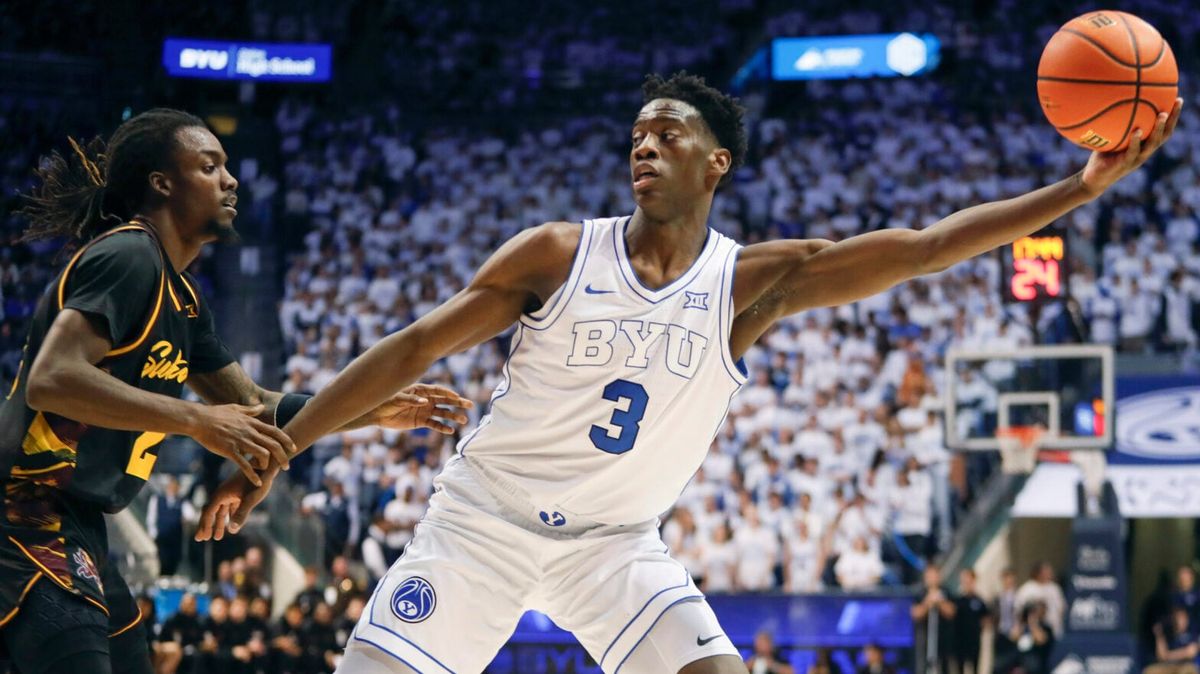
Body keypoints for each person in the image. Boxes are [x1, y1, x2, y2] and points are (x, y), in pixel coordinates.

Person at [198, 72, 1182, 674]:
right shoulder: (555, 254)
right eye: (637, 133)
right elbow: (412, 347)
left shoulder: (752, 284)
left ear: (717, 164)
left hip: (615, 547)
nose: (645, 144)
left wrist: (1078, 187)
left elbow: (926, 248)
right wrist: (281, 446)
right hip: (482, 526)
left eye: (668, 133)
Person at [0, 109, 472, 674]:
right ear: (162, 183)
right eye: (209, 167)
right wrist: (197, 420)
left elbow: (256, 407)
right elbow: (52, 378)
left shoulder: (182, 297)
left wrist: (372, 411)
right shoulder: (130, 255)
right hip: (24, 513)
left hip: (80, 524)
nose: (232, 180)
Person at [912, 565, 957, 674]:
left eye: (934, 575)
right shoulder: (920, 593)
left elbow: (951, 612)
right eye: (929, 576)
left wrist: (939, 601)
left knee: (945, 666)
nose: (932, 579)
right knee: (923, 666)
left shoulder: (946, 592)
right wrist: (928, 602)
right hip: (925, 638)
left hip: (943, 638)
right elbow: (915, 613)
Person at [1015, 561, 1067, 638]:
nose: (1050, 574)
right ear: (1038, 573)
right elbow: (1019, 610)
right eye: (1046, 572)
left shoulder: (1054, 588)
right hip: (1033, 632)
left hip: (1054, 629)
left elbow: (1061, 608)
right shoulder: (1027, 589)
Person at [953, 568, 990, 674]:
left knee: (975, 666)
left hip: (974, 640)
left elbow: (985, 618)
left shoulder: (979, 600)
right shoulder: (958, 601)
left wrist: (981, 627)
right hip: (960, 641)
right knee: (960, 667)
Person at [1145, 605, 1200, 674]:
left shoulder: (1192, 634)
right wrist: (1159, 635)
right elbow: (1161, 656)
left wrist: (1169, 655)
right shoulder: (1169, 634)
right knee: (1149, 671)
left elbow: (1191, 653)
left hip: (1187, 665)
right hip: (1170, 665)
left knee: (1187, 670)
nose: (1182, 621)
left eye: (1184, 618)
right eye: (1179, 618)